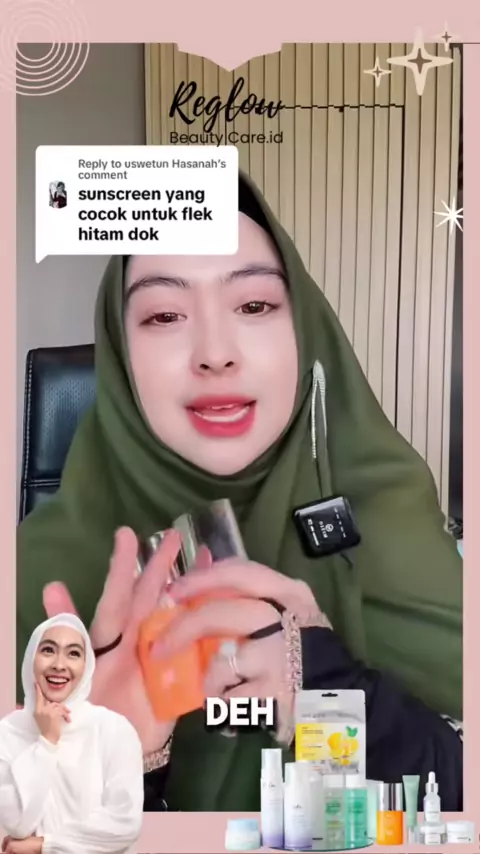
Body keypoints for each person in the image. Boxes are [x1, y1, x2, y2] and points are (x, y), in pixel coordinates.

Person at [17, 172, 463, 812]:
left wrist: (333, 690)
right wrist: (104, 771)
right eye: (164, 315)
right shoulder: (33, 577)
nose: (216, 353)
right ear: (121, 353)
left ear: (304, 330)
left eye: (254, 306)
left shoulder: (389, 520)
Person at [0, 615, 144, 853]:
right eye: (48, 650)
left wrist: (46, 845)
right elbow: (18, 823)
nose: (59, 664)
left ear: (86, 666)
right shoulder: (7, 733)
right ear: (31, 658)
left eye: (73, 653)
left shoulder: (113, 729)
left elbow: (125, 823)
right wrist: (47, 742)